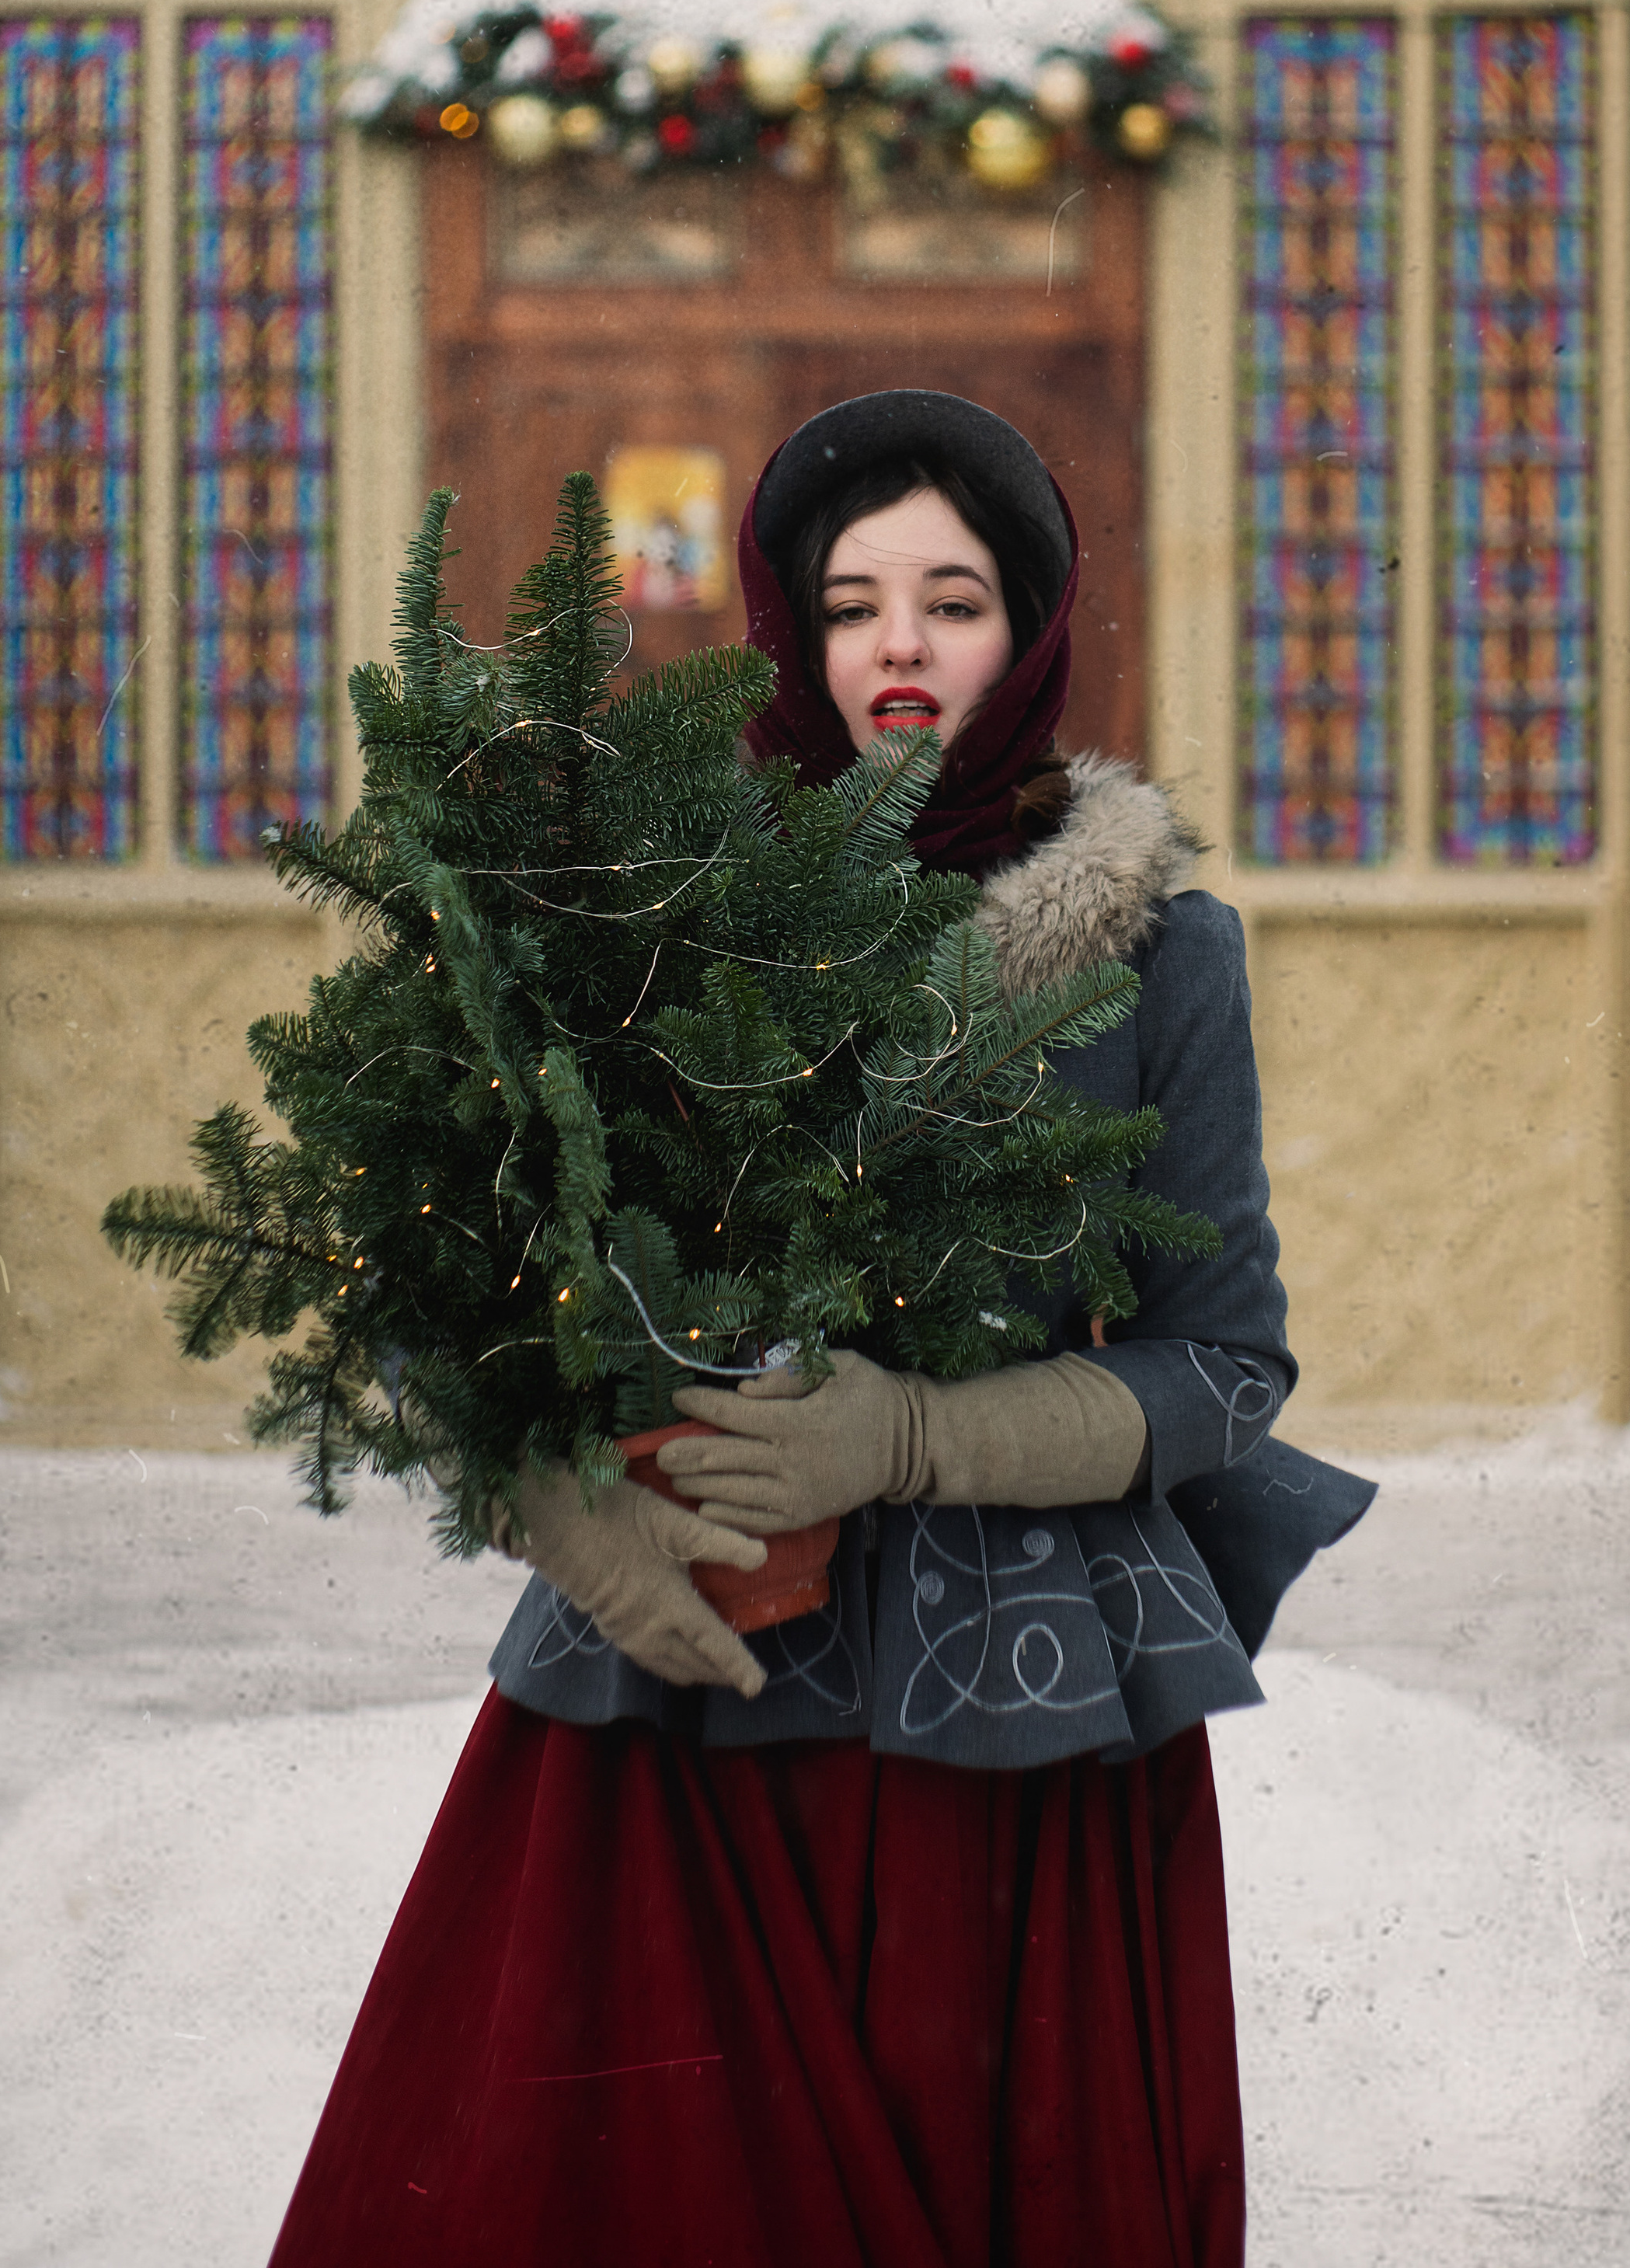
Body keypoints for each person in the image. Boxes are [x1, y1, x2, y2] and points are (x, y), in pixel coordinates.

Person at [268, 390, 1374, 2268]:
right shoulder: (650, 905)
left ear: (1027, 625)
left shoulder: (1159, 954)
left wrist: (922, 1440)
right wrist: (563, 1509)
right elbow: (440, 1260)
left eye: (950, 600)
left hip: (1008, 1718)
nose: (899, 647)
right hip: (684, 1659)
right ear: (790, 624)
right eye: (854, 602)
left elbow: (1223, 1366)